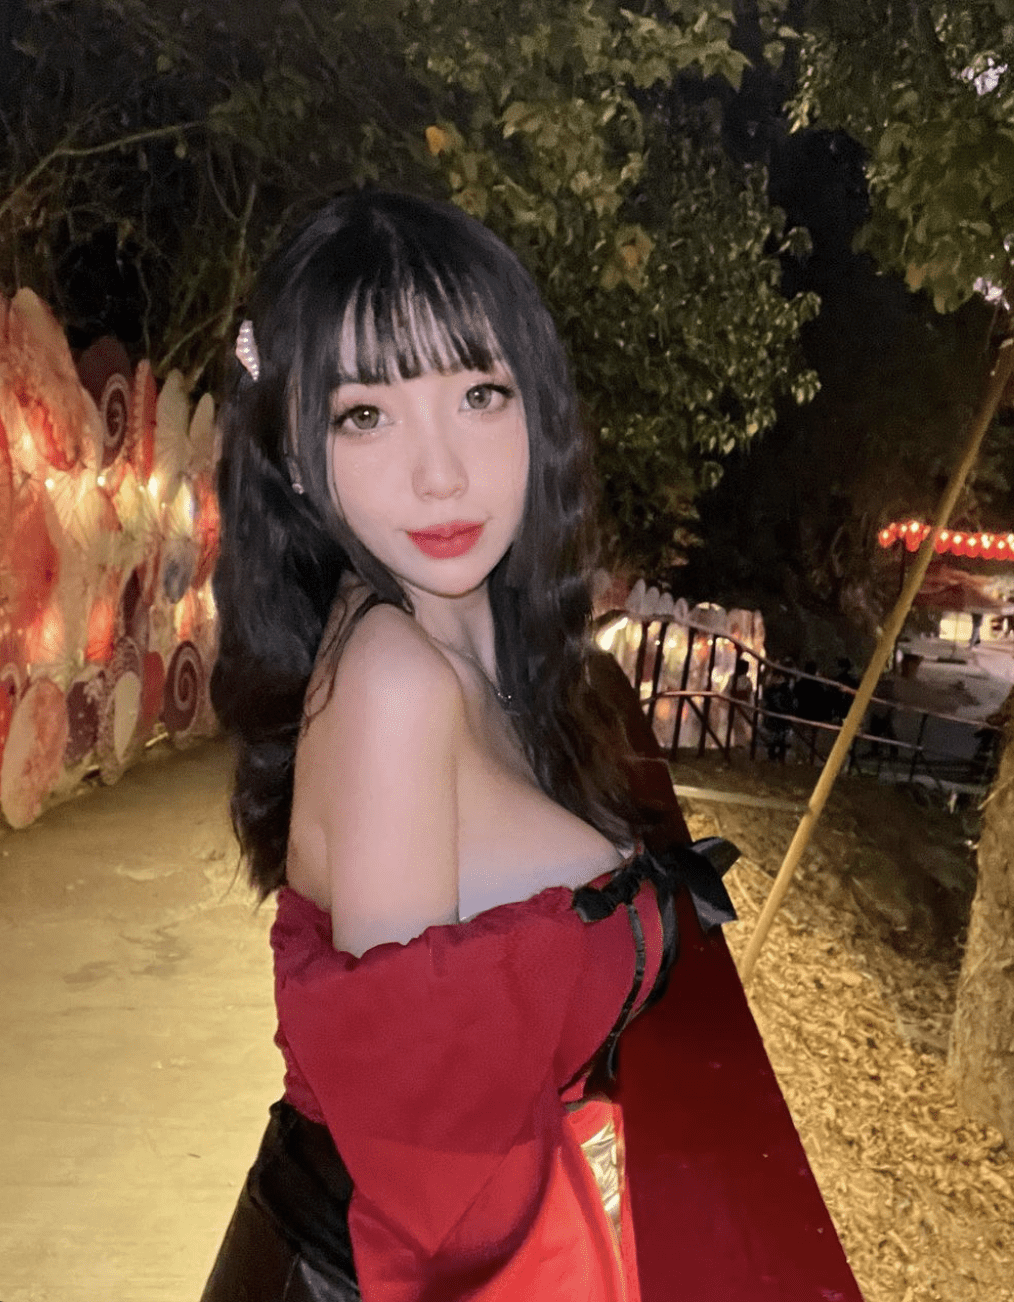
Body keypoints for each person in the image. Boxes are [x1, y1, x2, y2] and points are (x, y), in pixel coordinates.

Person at [201, 190, 863, 1302]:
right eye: (366, 415)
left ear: (536, 408)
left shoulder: (480, 635)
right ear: (298, 460)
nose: (441, 473)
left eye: (478, 394)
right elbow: (425, 1172)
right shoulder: (396, 683)